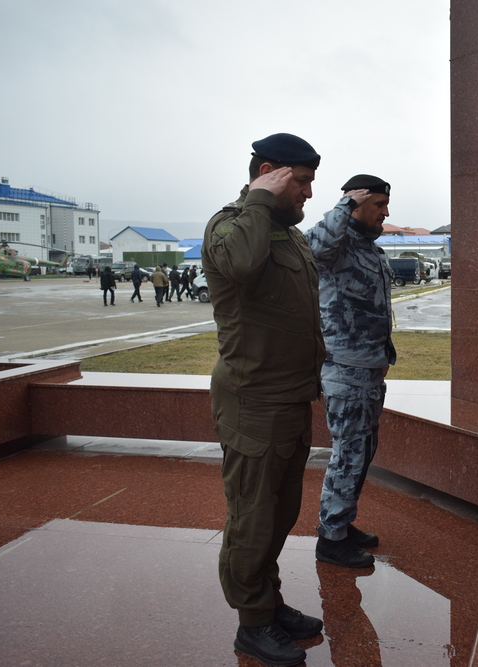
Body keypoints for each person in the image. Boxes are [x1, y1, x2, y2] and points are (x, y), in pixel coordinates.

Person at [202, 132, 326, 666]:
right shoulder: (233, 224)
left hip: (290, 397)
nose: (307, 194)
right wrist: (258, 196)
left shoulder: (286, 232)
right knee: (252, 518)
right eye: (300, 182)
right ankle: (252, 624)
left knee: (278, 514)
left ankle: (268, 604)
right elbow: (241, 268)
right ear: (270, 172)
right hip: (253, 400)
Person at [305, 174, 395, 569]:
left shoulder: (371, 251)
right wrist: (343, 205)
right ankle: (331, 539)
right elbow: (312, 246)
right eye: (378, 205)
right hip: (345, 370)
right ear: (356, 205)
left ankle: (343, 524)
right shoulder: (335, 247)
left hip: (371, 370)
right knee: (348, 456)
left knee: (362, 454)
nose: (386, 212)